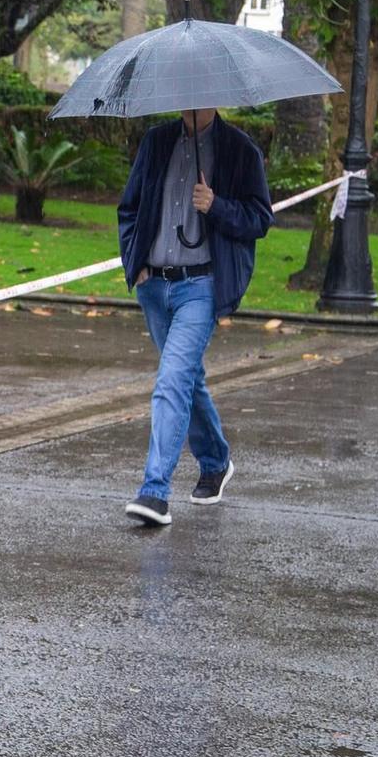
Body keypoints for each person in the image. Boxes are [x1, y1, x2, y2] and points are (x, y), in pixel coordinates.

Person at [115, 108, 273, 526]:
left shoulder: (240, 150)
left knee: (171, 381)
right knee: (186, 377)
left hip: (200, 286)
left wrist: (217, 205)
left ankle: (154, 493)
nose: (190, 103)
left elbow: (260, 218)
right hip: (154, 286)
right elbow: (129, 208)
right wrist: (136, 261)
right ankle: (217, 459)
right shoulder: (156, 141)